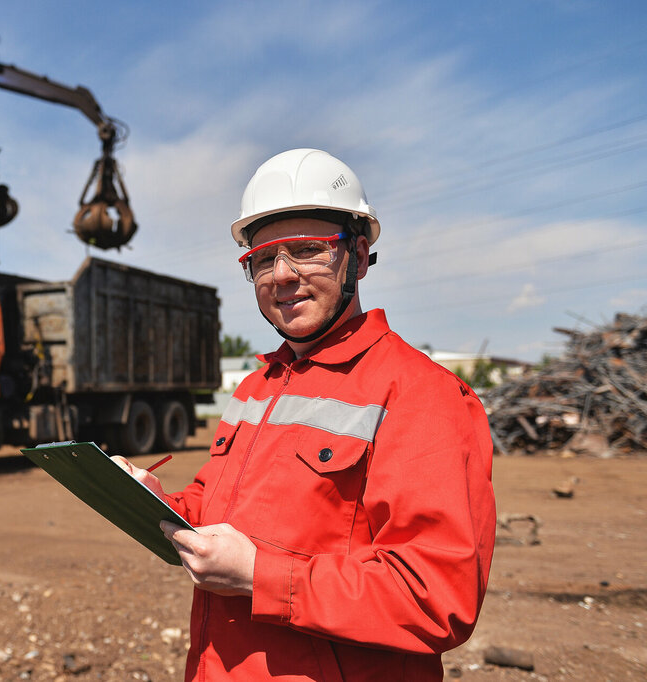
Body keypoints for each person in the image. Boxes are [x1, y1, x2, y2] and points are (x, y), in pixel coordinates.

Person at [115, 148, 496, 681]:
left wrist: (261, 576)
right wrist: (158, 502)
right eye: (265, 258)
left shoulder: (419, 394)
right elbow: (217, 507)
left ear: (359, 258)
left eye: (309, 250)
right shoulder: (256, 387)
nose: (283, 274)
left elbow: (437, 597)